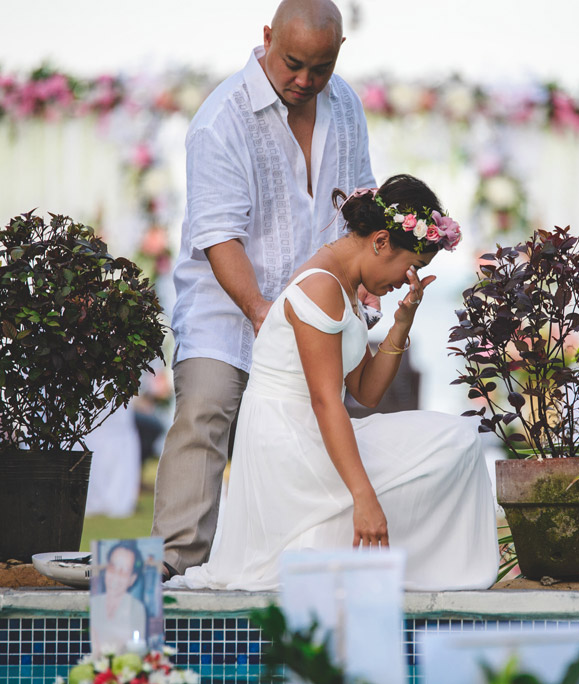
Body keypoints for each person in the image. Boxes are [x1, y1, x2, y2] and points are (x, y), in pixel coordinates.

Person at [168, 174, 499, 591]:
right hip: (289, 442)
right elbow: (327, 402)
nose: (406, 280)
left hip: (312, 428)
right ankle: (401, 564)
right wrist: (364, 498)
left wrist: (401, 322)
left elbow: (366, 390)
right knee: (451, 445)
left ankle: (420, 569)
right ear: (381, 242)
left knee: (460, 440)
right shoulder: (323, 286)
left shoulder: (344, 283)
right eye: (411, 266)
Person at [152, 0, 376, 578]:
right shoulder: (221, 117)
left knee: (310, 435)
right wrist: (261, 310)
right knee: (204, 414)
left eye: (319, 68)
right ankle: (174, 571)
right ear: (267, 37)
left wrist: (364, 286)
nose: (304, 80)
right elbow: (219, 235)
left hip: (316, 312)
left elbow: (361, 205)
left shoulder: (347, 104)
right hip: (227, 312)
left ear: (339, 54)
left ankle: (290, 572)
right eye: (292, 63)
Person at [90, 540, 148, 654]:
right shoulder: (95, 604)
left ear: (132, 578)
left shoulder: (136, 608)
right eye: (113, 566)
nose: (116, 575)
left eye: (124, 570)